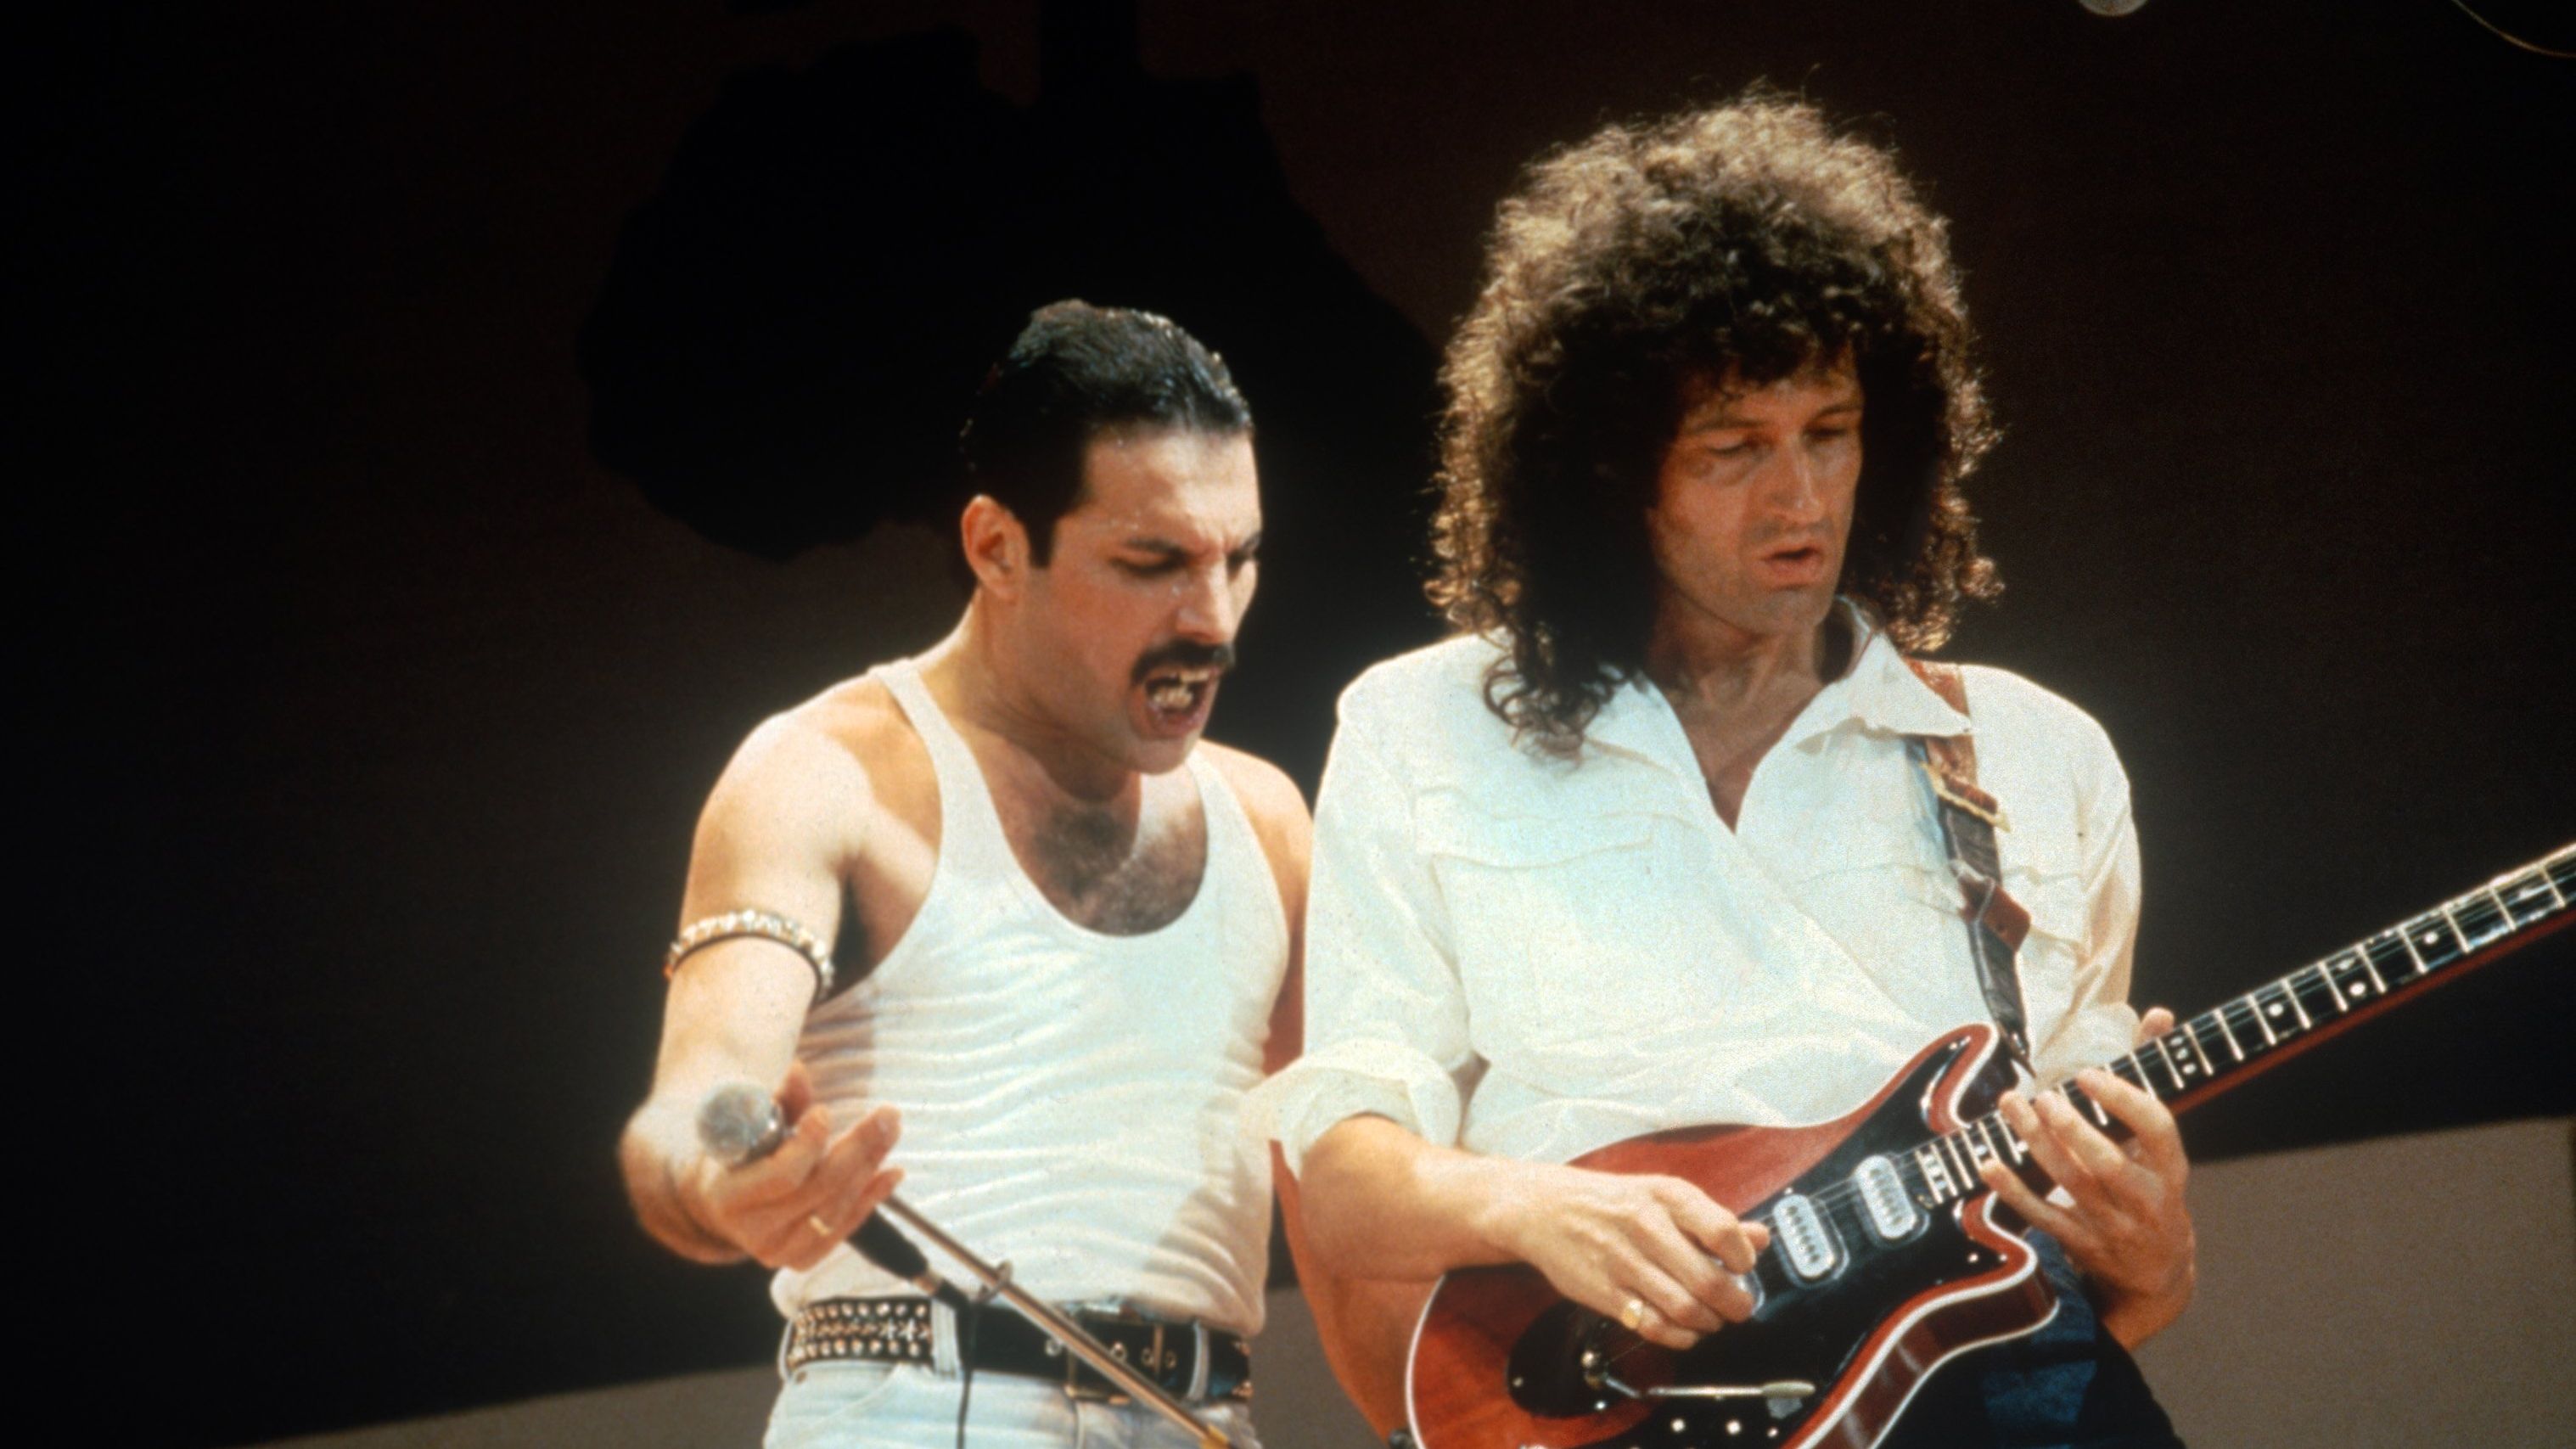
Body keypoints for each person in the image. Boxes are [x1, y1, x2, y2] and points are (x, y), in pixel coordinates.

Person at [1264, 97, 2196, 1446]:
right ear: (1605, 470)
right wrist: (1535, 1207)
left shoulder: (2039, 756)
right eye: (1733, 450)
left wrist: (2154, 1253)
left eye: (1831, 430)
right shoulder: (1424, 728)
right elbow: (1342, 1183)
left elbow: (2102, 1274)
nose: (1802, 501)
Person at [619, 300, 1314, 1448]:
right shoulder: (824, 774)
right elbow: (693, 1104)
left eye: (1238, 561)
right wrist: (717, 1181)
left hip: (1206, 1420)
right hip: (912, 1410)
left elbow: (1347, 1181)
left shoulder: (1267, 817)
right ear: (996, 546)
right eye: (1154, 564)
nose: (1215, 622)